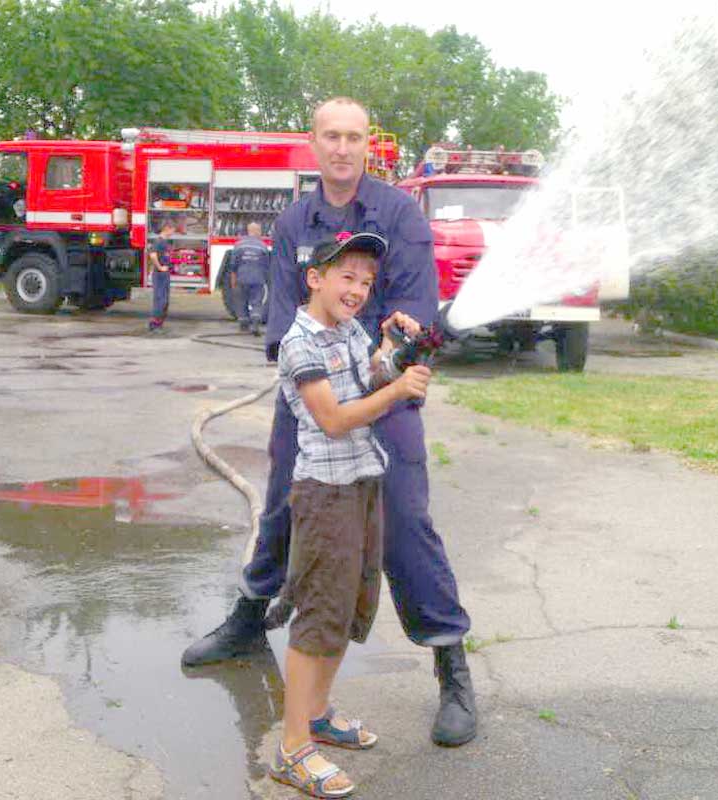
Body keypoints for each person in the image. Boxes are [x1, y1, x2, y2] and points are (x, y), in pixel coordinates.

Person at [182, 96, 478, 747]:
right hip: (310, 395)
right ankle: (248, 619)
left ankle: (451, 664)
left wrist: (393, 348)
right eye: (330, 137)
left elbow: (412, 304)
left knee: (402, 521)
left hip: (384, 393)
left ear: (368, 145)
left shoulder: (399, 215)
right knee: (287, 505)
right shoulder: (294, 222)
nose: (342, 148)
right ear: (313, 145)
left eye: (354, 137)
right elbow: (285, 319)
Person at [269, 230, 430, 798]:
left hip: (363, 481)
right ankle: (292, 751)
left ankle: (315, 716)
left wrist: (391, 351)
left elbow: (370, 381)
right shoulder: (299, 344)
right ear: (315, 278)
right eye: (347, 277)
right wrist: (398, 390)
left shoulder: (352, 330)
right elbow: (335, 419)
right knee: (317, 613)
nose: (359, 289)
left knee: (348, 604)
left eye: (366, 280)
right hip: (325, 493)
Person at [222, 221, 271, 335]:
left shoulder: (239, 245)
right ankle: (255, 323)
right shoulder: (262, 246)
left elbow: (233, 264)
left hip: (242, 278)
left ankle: (243, 324)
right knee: (256, 301)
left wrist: (233, 280)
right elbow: (266, 265)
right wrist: (265, 278)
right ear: (257, 232)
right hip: (257, 279)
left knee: (241, 301)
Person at [148, 219, 175, 332]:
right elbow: (153, 255)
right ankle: (154, 325)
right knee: (160, 299)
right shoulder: (159, 242)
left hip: (164, 274)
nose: (173, 231)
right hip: (160, 275)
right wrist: (160, 267)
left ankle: (159, 324)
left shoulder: (164, 242)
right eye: (172, 229)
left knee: (165, 300)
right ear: (166, 228)